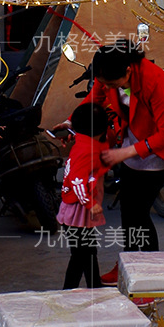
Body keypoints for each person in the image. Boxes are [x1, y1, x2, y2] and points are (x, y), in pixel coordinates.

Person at [84, 40, 164, 282]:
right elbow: (93, 101)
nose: (106, 88)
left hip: (158, 150)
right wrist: (74, 123)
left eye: (111, 85)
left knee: (139, 213)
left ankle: (149, 272)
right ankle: (128, 262)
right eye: (103, 83)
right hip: (131, 141)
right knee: (128, 211)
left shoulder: (153, 79)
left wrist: (124, 153)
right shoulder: (107, 70)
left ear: (128, 71)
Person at [58, 102, 116, 289]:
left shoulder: (84, 142)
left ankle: (94, 286)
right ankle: (68, 291)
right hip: (78, 211)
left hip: (78, 212)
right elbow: (77, 181)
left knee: (88, 252)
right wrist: (90, 203)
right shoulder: (87, 151)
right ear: (102, 128)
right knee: (80, 255)